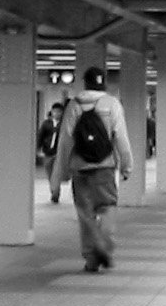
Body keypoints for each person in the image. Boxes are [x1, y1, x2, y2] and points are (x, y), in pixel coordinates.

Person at [49, 66, 135, 273]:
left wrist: (60, 173)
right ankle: (104, 243)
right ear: (103, 82)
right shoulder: (112, 104)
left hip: (81, 167)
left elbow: (65, 141)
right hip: (105, 166)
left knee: (85, 213)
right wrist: (127, 165)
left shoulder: (74, 106)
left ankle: (91, 257)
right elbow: (121, 137)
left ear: (85, 83)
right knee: (107, 207)